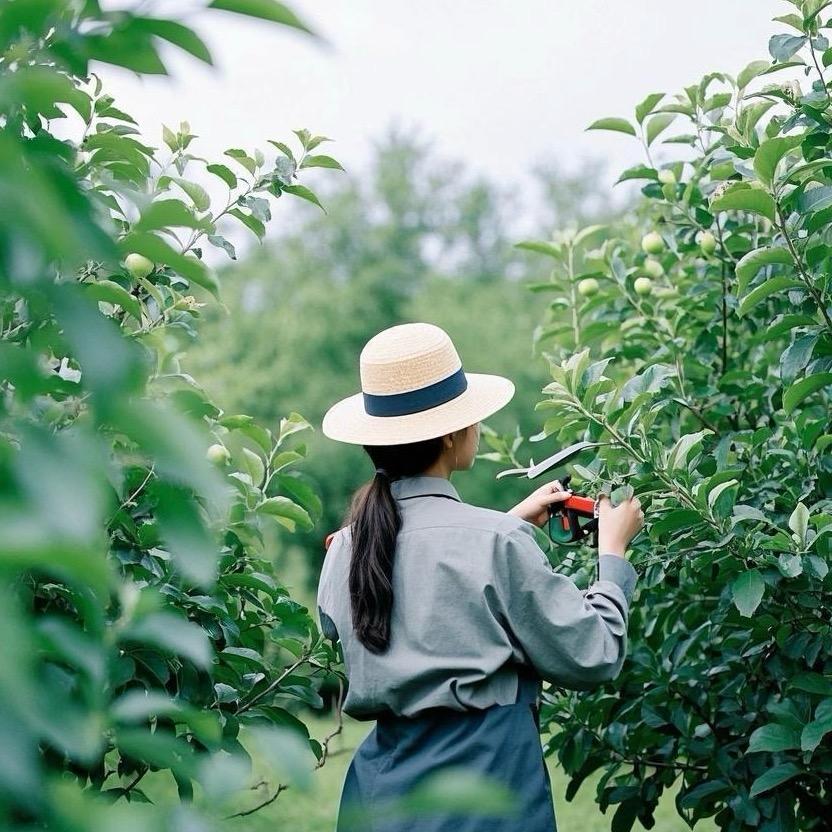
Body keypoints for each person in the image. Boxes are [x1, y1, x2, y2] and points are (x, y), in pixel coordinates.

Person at [318, 322, 644, 832]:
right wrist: (613, 554)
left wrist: (506, 527)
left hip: (379, 803)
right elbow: (592, 654)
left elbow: (405, 592)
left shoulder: (345, 549)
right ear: (451, 433)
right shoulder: (495, 544)